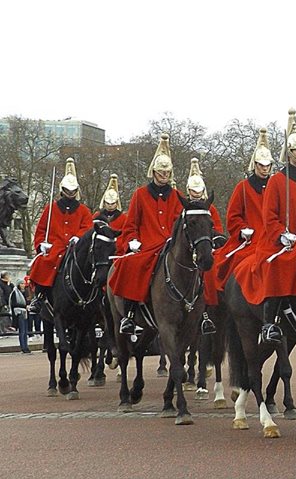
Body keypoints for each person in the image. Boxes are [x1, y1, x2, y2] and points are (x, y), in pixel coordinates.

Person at [233, 109, 296, 344]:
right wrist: (281, 235)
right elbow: (269, 217)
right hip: (288, 241)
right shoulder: (278, 181)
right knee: (277, 265)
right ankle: (270, 322)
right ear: (290, 153)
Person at [108, 134, 185, 334]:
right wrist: (132, 241)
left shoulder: (178, 196)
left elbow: (181, 224)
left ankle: (201, 313)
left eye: (167, 172)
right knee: (129, 265)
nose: (164, 175)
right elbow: (131, 223)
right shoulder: (140, 195)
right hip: (147, 246)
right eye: (161, 172)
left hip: (170, 245)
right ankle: (130, 314)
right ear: (154, 172)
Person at [27, 158, 94, 314]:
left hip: (75, 248)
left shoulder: (84, 210)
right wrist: (41, 244)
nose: (70, 194)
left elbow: (88, 228)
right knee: (42, 263)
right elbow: (41, 229)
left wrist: (78, 236)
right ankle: (40, 295)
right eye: (67, 190)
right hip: (55, 247)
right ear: (62, 189)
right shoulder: (51, 208)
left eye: (73, 191)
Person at [214, 128, 272, 292]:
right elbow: (233, 217)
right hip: (250, 238)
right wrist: (242, 230)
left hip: (274, 237)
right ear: (255, 165)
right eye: (261, 165)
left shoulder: (277, 186)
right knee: (235, 259)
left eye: (268, 166)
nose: (265, 169)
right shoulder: (243, 188)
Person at [185, 158, 226, 334]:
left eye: (199, 191)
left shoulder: (210, 209)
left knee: (214, 270)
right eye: (193, 191)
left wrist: (215, 237)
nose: (196, 194)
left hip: (203, 248)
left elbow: (216, 227)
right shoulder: (184, 208)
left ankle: (211, 310)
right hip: (186, 249)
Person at [10, 280, 30, 353]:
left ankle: (26, 346)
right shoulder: (15, 293)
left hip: (25, 312)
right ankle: (23, 347)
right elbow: (14, 304)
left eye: (24, 283)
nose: (23, 285)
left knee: (25, 331)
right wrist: (25, 306)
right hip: (19, 312)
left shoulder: (25, 292)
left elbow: (27, 301)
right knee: (22, 331)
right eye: (21, 283)